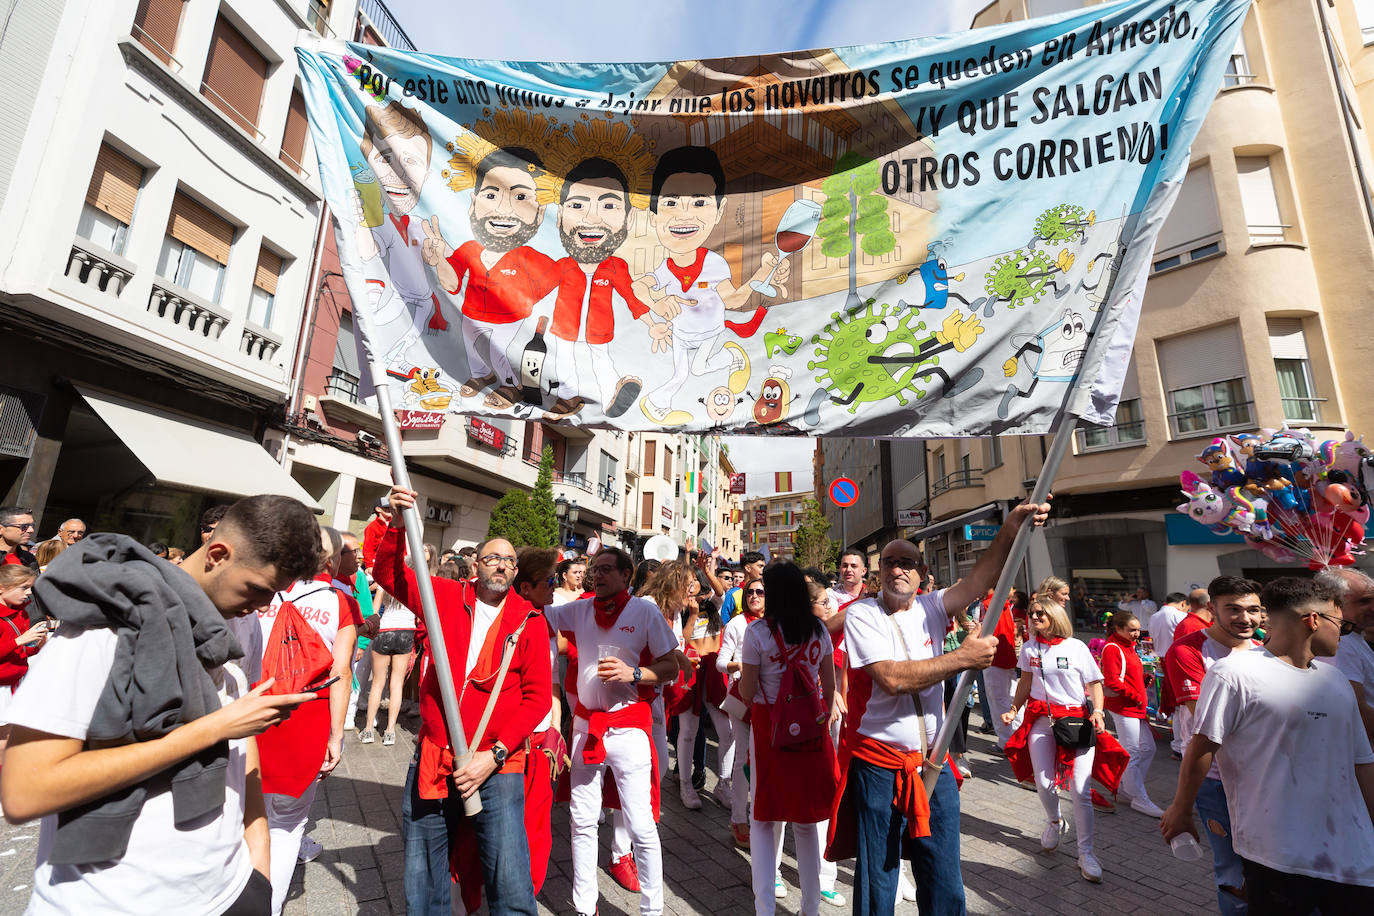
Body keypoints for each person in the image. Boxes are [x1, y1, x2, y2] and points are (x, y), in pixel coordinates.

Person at [1, 495, 321, 914]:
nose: (262, 607)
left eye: (273, 595)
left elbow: (247, 777)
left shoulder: (224, 656)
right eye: (258, 589)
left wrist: (257, 873)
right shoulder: (101, 633)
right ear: (218, 554)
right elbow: (25, 794)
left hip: (230, 893)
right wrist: (212, 729)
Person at [828, 499, 1050, 916]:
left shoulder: (933, 606)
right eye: (889, 562)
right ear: (879, 573)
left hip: (933, 762)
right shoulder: (861, 614)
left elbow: (982, 579)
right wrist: (962, 659)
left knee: (944, 877)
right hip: (878, 766)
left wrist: (1011, 526)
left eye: (907, 563)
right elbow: (892, 678)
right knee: (879, 880)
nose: (898, 569)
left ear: (922, 575)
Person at [376, 485, 551, 916]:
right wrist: (398, 525)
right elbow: (390, 575)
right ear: (477, 563)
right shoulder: (446, 596)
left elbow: (536, 701)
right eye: (493, 557)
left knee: (510, 882)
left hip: (498, 765)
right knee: (424, 877)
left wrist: (493, 755)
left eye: (510, 560)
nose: (502, 566)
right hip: (435, 757)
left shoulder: (529, 622)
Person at [1162, 577, 1374, 911]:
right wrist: (1181, 809)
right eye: (1341, 625)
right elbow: (1203, 746)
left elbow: (1362, 762)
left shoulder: (1335, 681)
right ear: (1313, 620)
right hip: (1276, 854)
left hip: (1353, 857)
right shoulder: (1233, 673)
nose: (1344, 634)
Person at [546, 547, 679, 916]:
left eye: (607, 569)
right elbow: (539, 614)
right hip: (586, 727)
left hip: (629, 729)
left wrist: (635, 674)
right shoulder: (580, 608)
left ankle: (652, 908)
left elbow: (671, 666)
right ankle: (585, 906)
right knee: (582, 820)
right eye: (595, 569)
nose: (598, 575)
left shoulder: (645, 610)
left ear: (626, 575)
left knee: (641, 824)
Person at [244, 526, 359, 915]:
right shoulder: (340, 603)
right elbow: (341, 672)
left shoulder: (261, 587)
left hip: (250, 713)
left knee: (238, 813)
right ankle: (269, 907)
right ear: (332, 559)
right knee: (288, 825)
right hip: (305, 719)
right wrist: (337, 735)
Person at [739, 562, 840, 916]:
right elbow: (830, 688)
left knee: (764, 820)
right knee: (807, 821)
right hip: (811, 731)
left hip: (770, 729)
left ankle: (765, 908)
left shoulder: (758, 634)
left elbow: (747, 691)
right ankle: (810, 908)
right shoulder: (819, 632)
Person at [1161, 576, 1264, 916]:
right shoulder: (1187, 650)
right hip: (1217, 780)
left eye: (1252, 610)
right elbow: (1210, 721)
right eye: (1232, 609)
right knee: (1234, 873)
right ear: (1211, 609)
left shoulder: (1268, 649)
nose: (1245, 618)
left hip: (1265, 777)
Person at [1002, 596, 1122, 883]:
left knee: (1080, 790)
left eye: (1040, 613)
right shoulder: (1030, 648)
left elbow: (1094, 684)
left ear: (1055, 615)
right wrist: (1014, 708)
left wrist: (1099, 712)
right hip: (1041, 722)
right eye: (1032, 613)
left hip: (1076, 722)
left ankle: (1086, 853)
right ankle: (1055, 821)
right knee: (1043, 784)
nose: (1034, 617)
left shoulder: (1076, 647)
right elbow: (1026, 683)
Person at [1099, 611, 1164, 817]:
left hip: (1134, 705)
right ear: (1118, 629)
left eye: (1138, 629)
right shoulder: (1113, 647)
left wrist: (1142, 679)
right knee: (1134, 751)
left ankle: (1129, 789)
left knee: (1147, 749)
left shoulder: (1128, 645)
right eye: (1132, 630)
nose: (1137, 633)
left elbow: (1125, 675)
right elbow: (1111, 681)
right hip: (1125, 706)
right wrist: (1135, 694)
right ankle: (1138, 797)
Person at [720, 572, 765, 846]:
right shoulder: (736, 623)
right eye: (750, 593)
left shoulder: (775, 623)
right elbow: (720, 662)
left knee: (762, 759)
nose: (754, 597)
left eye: (760, 592)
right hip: (740, 698)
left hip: (767, 699)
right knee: (742, 758)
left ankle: (759, 815)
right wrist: (741, 666)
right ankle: (739, 819)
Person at [1315, 567, 1374, 744]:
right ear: (1333, 602)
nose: (1373, 607)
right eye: (1364, 601)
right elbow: (1357, 712)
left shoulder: (1353, 636)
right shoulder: (1341, 643)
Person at [0, 565, 48, 765]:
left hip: (14, 683)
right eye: (23, 587)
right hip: (2, 685)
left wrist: (35, 646)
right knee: (3, 740)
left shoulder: (21, 613)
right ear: (2, 587)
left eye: (30, 588)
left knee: (8, 737)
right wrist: (20, 641)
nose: (28, 593)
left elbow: (18, 652)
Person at [363, 577, 418, 746]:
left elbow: (374, 611)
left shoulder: (385, 583)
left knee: (377, 684)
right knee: (396, 684)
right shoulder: (414, 585)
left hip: (385, 630)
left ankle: (368, 730)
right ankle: (390, 732)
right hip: (406, 632)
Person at [1147, 592, 1189, 659]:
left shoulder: (1153, 617)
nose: (1187, 611)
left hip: (1157, 658)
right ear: (1183, 604)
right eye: (1187, 609)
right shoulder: (1181, 616)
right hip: (1176, 657)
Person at [361, 496, 391, 570]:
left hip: (395, 564)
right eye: (387, 507)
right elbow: (367, 549)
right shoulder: (371, 527)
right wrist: (369, 565)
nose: (390, 510)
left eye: (391, 508)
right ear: (378, 509)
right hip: (379, 565)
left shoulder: (396, 524)